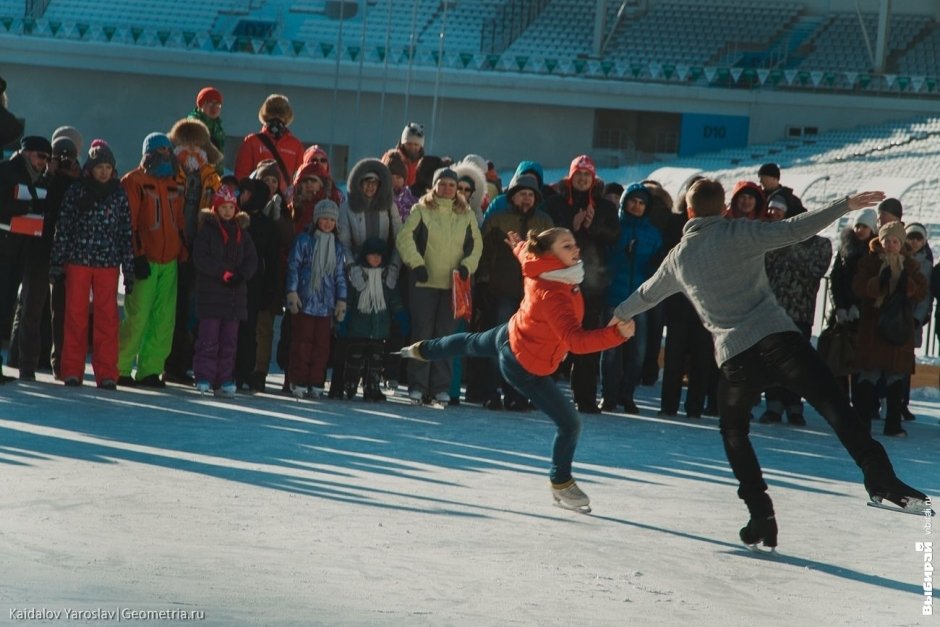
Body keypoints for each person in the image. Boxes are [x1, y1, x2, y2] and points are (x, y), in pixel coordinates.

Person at [611, 179, 931, 550]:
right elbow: (795, 229)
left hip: (736, 359)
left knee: (734, 434)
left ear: (690, 211)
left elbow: (647, 293)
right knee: (835, 406)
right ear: (724, 208)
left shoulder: (679, 256)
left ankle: (760, 513)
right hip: (780, 342)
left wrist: (617, 316)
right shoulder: (741, 231)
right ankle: (879, 476)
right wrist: (844, 204)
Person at [398, 227, 635, 512]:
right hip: (524, 365)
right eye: (567, 246)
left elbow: (526, 255)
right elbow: (574, 341)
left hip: (512, 333)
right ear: (550, 254)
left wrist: (519, 245)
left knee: (470, 343)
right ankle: (560, 482)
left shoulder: (541, 267)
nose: (576, 250)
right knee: (570, 423)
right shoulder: (554, 293)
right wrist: (617, 336)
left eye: (573, 244)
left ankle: (422, 349)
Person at [50, 140, 133, 389]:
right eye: (100, 167)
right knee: (75, 316)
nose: (104, 171)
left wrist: (128, 269)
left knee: (107, 319)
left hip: (108, 264)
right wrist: (57, 263)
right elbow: (63, 228)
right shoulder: (76, 191)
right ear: (91, 167)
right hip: (78, 261)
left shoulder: (118, 194)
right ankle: (72, 371)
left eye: (108, 167)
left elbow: (125, 233)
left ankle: (107, 373)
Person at [395, 167, 482, 405]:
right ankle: (417, 385)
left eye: (451, 185)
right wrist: (416, 263)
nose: (447, 189)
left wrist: (467, 266)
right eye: (442, 184)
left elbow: (476, 246)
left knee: (445, 337)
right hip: (423, 283)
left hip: (453, 285)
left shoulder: (467, 214)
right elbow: (404, 238)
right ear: (434, 186)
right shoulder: (421, 210)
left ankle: (440, 387)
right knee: (422, 334)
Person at [542, 155, 620, 413]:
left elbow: (614, 237)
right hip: (558, 283)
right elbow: (544, 239)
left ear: (594, 179)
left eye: (587, 175)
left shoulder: (605, 207)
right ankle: (543, 393)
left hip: (591, 286)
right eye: (578, 174)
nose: (583, 179)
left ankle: (584, 398)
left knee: (587, 343)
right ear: (570, 177)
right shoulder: (554, 204)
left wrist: (592, 226)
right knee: (552, 338)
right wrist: (570, 229)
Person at [474, 172, 553, 410]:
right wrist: (484, 283)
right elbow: (483, 254)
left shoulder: (545, 223)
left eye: (530, 195)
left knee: (526, 347)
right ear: (513, 197)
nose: (526, 199)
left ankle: (517, 393)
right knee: (500, 343)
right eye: (522, 195)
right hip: (501, 291)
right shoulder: (497, 219)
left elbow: (552, 258)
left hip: (530, 296)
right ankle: (491, 391)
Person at [117, 133, 187, 388]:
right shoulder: (133, 181)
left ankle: (150, 370)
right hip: (145, 258)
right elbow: (130, 223)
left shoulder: (173, 182)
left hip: (170, 260)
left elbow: (179, 221)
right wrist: (136, 256)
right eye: (161, 151)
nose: (166, 155)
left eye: (168, 150)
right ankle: (120, 367)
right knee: (137, 316)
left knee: (163, 319)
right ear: (149, 153)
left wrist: (183, 251)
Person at [758, 193, 832, 427]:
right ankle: (773, 406)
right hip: (772, 311)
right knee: (772, 360)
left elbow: (816, 268)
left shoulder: (820, 244)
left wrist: (793, 244)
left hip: (800, 312)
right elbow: (764, 267)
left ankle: (794, 406)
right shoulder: (772, 240)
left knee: (798, 363)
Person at [851, 221, 928, 437]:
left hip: (899, 328)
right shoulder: (869, 261)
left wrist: (907, 286)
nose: (891, 245)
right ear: (880, 240)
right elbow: (859, 287)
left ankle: (893, 423)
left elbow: (921, 291)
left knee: (896, 377)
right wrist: (877, 283)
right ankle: (862, 423)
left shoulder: (911, 264)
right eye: (887, 240)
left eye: (895, 241)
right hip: (874, 328)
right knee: (869, 375)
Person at [601, 182, 662, 414]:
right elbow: (605, 262)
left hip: (640, 299)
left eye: (641, 203)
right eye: (633, 201)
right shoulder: (615, 228)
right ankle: (608, 396)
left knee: (638, 351)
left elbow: (657, 268)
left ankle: (627, 395)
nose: (636, 206)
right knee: (610, 351)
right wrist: (623, 255)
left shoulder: (653, 234)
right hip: (614, 297)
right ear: (625, 203)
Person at [192, 187, 258, 397]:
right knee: (208, 339)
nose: (228, 211)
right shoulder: (207, 231)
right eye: (224, 207)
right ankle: (204, 376)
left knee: (229, 342)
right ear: (216, 209)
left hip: (234, 298)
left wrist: (242, 274)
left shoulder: (243, 233)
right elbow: (201, 258)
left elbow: (252, 259)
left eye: (231, 207)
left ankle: (225, 378)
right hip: (212, 296)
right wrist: (223, 273)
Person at [0, 135, 51, 383]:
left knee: (6, 308)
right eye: (41, 156)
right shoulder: (6, 171)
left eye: (47, 158)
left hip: (18, 252)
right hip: (3, 249)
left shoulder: (37, 178)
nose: (44, 162)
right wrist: (24, 207)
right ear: (27, 153)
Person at [284, 199, 348, 399]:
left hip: (325, 304)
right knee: (303, 342)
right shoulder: (304, 240)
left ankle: (316, 380)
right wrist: (292, 292)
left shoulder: (337, 247)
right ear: (316, 219)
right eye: (324, 218)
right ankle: (298, 379)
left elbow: (339, 275)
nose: (328, 223)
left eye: (331, 219)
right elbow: (294, 266)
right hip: (305, 301)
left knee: (322, 345)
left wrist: (341, 300)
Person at [343, 237, 404, 401]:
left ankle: (372, 386)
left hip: (378, 330)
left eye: (379, 256)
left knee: (376, 361)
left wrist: (400, 316)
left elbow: (394, 300)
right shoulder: (358, 277)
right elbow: (349, 300)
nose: (376, 259)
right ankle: (350, 383)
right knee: (355, 358)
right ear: (365, 256)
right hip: (358, 329)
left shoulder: (386, 280)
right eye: (372, 255)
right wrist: (344, 318)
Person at [234, 94, 304, 196]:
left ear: (286, 119)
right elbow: (241, 175)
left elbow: (300, 178)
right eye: (272, 115)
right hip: (256, 198)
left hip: (283, 202)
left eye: (281, 116)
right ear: (265, 117)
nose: (277, 119)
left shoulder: (296, 145)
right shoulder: (252, 141)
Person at [901, 222, 933, 422]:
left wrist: (917, 319)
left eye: (918, 238)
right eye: (911, 237)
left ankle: (901, 403)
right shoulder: (899, 257)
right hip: (893, 317)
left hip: (911, 320)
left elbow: (926, 296)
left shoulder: (927, 265)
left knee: (905, 363)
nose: (914, 242)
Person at [187, 86, 225, 175]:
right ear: (201, 104)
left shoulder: (217, 127)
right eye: (211, 103)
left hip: (212, 176)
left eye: (218, 104)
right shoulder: (194, 124)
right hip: (196, 174)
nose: (215, 108)